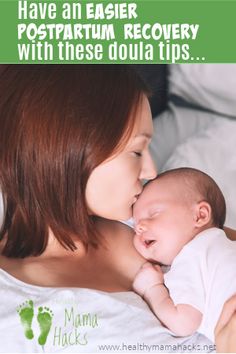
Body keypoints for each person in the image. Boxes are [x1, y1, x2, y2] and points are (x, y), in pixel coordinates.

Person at [0, 65, 235, 352]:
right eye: (137, 151)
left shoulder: (147, 221)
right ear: (68, 149)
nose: (150, 170)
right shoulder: (12, 305)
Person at [132, 167, 236, 343]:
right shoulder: (222, 246)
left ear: (200, 215)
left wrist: (152, 290)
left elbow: (184, 322)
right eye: (135, 225)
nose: (139, 226)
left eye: (154, 213)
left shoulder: (191, 255)